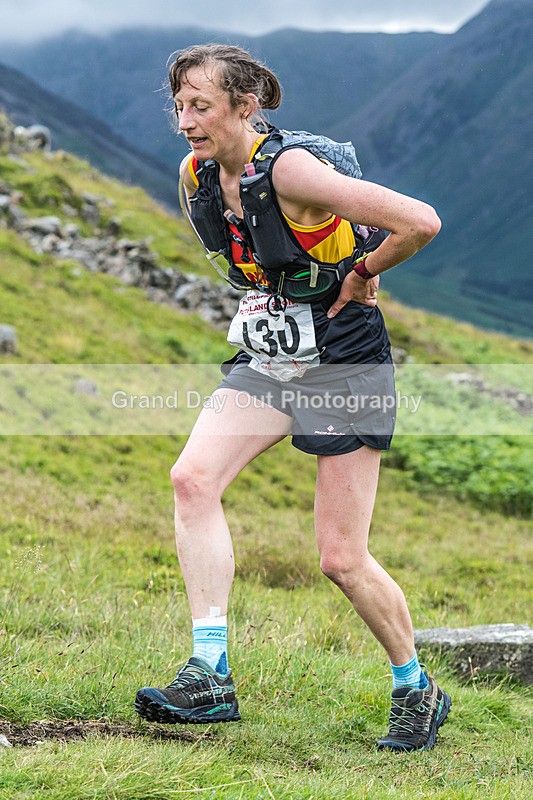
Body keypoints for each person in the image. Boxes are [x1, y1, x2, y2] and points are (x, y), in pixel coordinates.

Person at [135, 43, 451, 752]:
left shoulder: (294, 169)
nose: (186, 122)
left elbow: (420, 221)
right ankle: (209, 675)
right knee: (192, 479)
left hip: (343, 358)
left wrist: (363, 271)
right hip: (275, 352)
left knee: (340, 558)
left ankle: (415, 687)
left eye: (202, 107)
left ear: (245, 107)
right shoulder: (198, 172)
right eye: (179, 106)